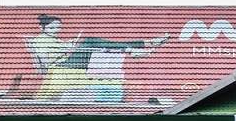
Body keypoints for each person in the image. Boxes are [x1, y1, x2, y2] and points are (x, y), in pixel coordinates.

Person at [26, 14, 170, 102]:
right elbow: (47, 61)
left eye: (57, 28)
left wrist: (70, 44)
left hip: (69, 62)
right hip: (63, 67)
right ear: (42, 28)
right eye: (52, 28)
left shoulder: (51, 38)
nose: (55, 31)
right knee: (91, 40)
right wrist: (66, 49)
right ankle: (137, 48)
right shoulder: (40, 40)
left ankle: (145, 44)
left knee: (109, 45)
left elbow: (62, 48)